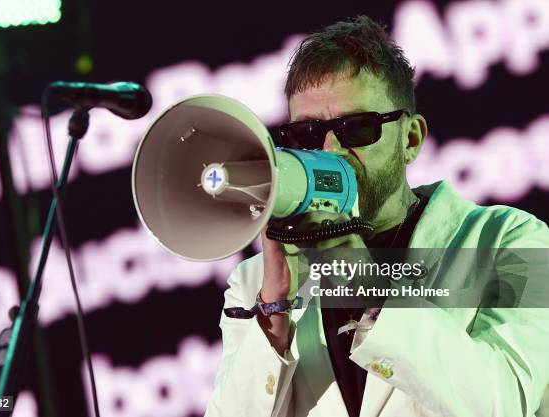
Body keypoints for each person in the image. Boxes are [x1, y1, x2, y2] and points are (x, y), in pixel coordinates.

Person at [203, 16, 549, 417]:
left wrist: (374, 291)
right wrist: (275, 310)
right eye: (309, 134)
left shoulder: (510, 239)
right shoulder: (253, 284)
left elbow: (506, 403)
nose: (330, 152)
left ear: (411, 139)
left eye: (356, 128)